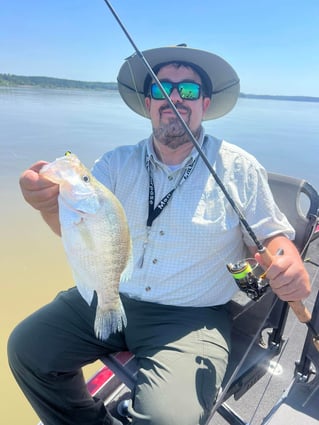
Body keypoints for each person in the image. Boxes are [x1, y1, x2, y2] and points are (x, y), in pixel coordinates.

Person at [8, 45, 310, 425]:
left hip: (189, 318)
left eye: (187, 90)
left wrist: (288, 260)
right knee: (27, 349)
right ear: (148, 102)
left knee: (166, 420)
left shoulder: (239, 167)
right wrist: (48, 206)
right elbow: (76, 233)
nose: (173, 97)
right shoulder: (115, 162)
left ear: (205, 102)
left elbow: (271, 239)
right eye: (161, 88)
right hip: (110, 289)